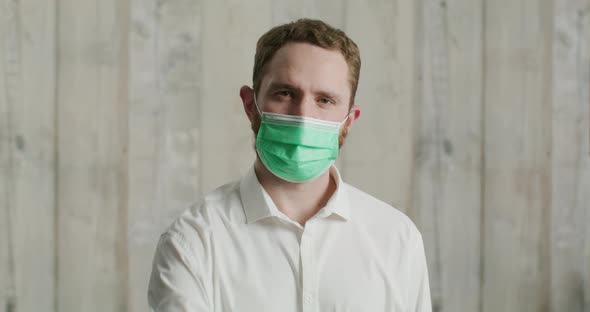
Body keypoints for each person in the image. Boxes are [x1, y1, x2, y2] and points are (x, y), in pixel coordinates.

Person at [147, 18, 432, 312]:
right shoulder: (193, 242)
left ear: (349, 121)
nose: (303, 115)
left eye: (324, 100)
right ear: (250, 104)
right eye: (285, 94)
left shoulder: (396, 239)